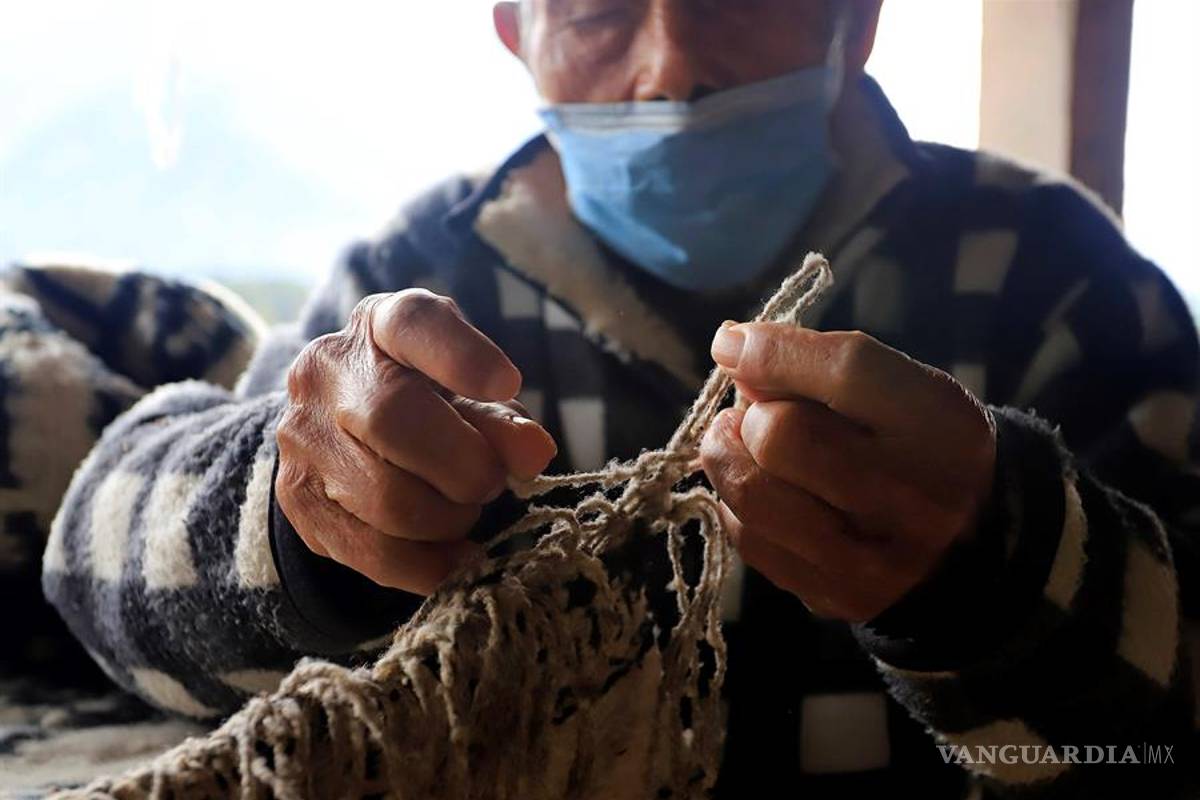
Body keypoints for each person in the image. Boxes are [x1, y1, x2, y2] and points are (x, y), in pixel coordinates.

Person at [0, 0, 1195, 795]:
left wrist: (997, 570)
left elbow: (1172, 716)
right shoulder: (413, 279)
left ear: (859, 13)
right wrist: (297, 515)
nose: (671, 59)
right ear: (517, 26)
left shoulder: (1056, 277)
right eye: (599, 5)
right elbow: (93, 557)